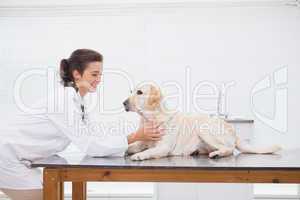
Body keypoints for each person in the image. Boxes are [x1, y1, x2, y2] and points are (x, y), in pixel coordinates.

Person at [0, 49, 163, 200]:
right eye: (94, 74)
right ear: (77, 74)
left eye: (100, 75)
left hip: (21, 159)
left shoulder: (78, 101)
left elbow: (95, 136)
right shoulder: (62, 102)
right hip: (7, 157)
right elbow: (91, 145)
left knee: (53, 195)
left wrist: (136, 137)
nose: (98, 80)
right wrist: (136, 137)